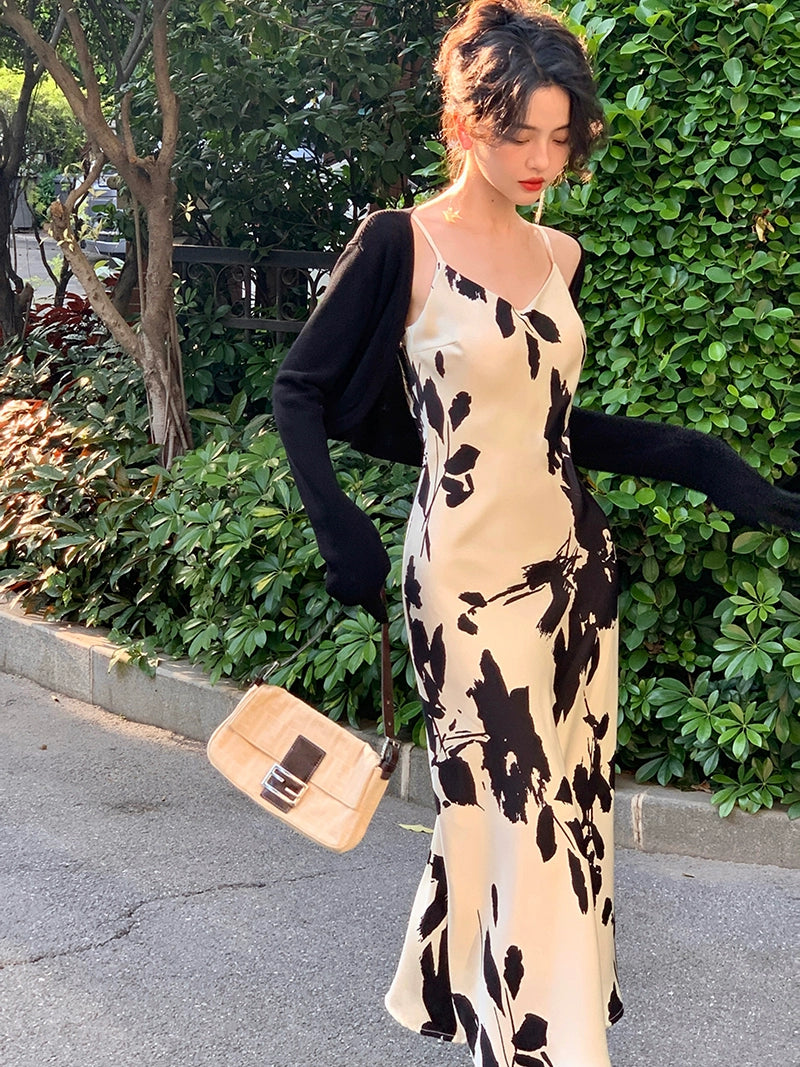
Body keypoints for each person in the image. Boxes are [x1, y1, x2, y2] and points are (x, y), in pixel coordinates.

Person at [272, 2, 800, 1063]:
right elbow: (301, 390)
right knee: (514, 811)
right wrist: (341, 530)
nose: (541, 161)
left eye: (560, 138)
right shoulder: (400, 244)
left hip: (571, 575)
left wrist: (703, 462)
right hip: (462, 585)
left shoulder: (560, 253)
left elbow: (545, 424)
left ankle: (504, 1018)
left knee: (562, 809)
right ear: (464, 119)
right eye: (519, 134)